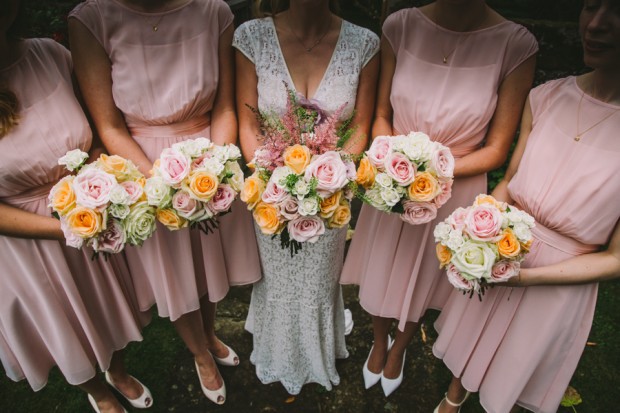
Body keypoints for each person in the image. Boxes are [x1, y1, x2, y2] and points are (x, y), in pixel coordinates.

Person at [340, 0, 538, 397]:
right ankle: (379, 341)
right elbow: (381, 114)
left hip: (455, 184)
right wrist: (395, 162)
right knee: (383, 267)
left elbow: (498, 148)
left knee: (425, 277)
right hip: (392, 180)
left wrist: (430, 172)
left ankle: (401, 347)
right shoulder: (400, 26)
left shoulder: (516, 44)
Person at [68, 0, 261, 405]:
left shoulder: (215, 12)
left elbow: (225, 105)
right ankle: (199, 354)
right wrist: (164, 184)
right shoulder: (91, 19)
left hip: (208, 152)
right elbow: (108, 125)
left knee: (209, 264)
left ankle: (209, 333)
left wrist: (212, 168)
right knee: (173, 273)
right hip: (141, 167)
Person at [432, 1, 620, 412]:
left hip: (562, 278)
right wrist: (479, 226)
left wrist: (526, 279)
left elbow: (617, 258)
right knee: (473, 335)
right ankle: (454, 394)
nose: (597, 24)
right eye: (591, 6)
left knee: (518, 367)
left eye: (617, 12)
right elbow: (512, 182)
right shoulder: (546, 96)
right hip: (503, 248)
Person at [0, 1, 152, 412]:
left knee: (108, 308)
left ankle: (117, 371)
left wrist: (104, 180)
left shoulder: (51, 54)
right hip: (29, 242)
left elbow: (100, 128)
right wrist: (67, 228)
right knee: (66, 324)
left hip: (92, 209)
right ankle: (99, 394)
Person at [234, 0, 379, 394]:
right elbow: (246, 123)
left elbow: (362, 126)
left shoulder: (364, 43)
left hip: (332, 195)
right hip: (270, 191)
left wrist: (325, 181)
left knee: (318, 281)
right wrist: (272, 177)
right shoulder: (251, 37)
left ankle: (318, 352)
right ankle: (274, 347)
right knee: (278, 279)